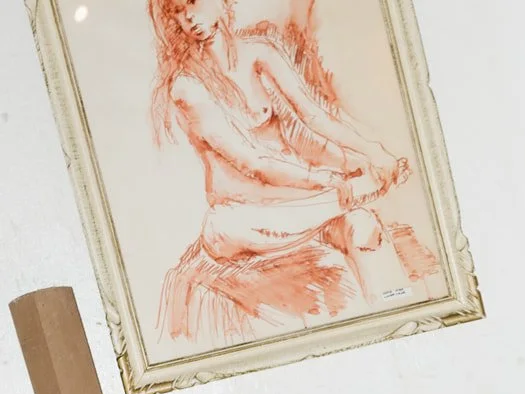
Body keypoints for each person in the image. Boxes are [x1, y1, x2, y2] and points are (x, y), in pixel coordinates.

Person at [149, 0, 438, 343]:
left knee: (364, 226)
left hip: (303, 203)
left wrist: (374, 153)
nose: (189, 19)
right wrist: (331, 181)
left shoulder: (259, 53)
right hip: (240, 218)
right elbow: (252, 161)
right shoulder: (186, 86)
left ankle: (404, 329)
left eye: (193, 3)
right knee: (317, 206)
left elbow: (317, 116)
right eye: (177, 13)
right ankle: (347, 196)